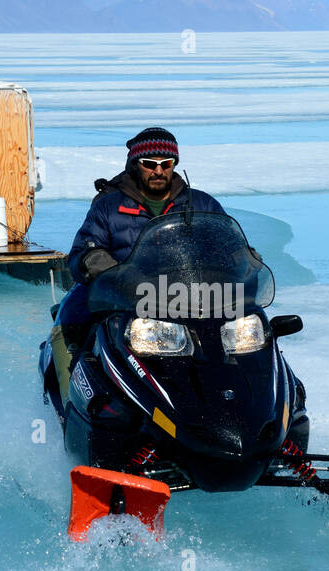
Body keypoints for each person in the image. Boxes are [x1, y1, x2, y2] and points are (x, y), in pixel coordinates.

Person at [50, 127, 226, 383]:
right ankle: (71, 394)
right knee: (71, 324)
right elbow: (84, 251)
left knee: (246, 338)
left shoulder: (202, 205)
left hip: (188, 297)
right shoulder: (108, 207)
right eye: (149, 164)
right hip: (125, 299)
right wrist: (112, 271)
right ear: (136, 164)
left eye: (166, 163)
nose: (158, 171)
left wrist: (243, 261)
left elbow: (224, 245)